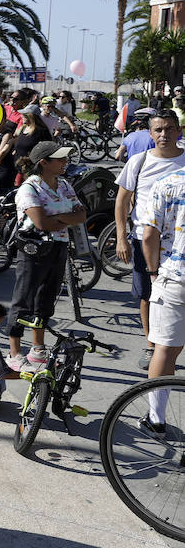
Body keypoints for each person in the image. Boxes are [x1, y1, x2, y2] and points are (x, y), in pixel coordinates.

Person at [114, 111, 185, 370]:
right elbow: (122, 200)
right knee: (148, 294)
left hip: (180, 245)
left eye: (169, 129)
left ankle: (170, 348)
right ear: (150, 133)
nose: (163, 135)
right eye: (158, 130)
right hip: (145, 240)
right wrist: (121, 236)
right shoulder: (139, 161)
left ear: (179, 131)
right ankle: (151, 344)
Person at [7, 142, 84, 370]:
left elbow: (81, 215)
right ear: (44, 163)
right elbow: (40, 223)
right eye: (59, 159)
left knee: (46, 299)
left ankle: (37, 348)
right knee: (23, 300)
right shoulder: (29, 188)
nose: (65, 163)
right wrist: (65, 216)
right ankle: (13, 352)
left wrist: (56, 218)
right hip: (33, 251)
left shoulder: (64, 184)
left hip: (59, 247)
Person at [139, 164, 185, 423]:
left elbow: (149, 236)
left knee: (164, 350)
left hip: (174, 275)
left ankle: (156, 418)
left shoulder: (167, 182)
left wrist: (153, 271)